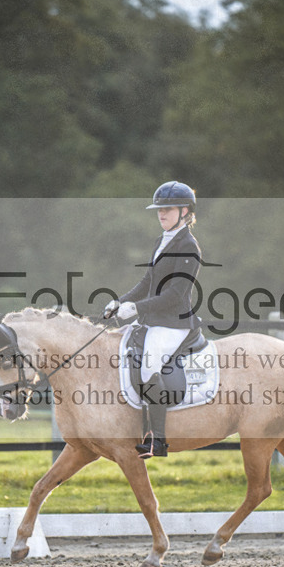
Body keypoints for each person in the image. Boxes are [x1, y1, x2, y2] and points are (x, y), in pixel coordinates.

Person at [104, 181, 203, 459]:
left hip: (174, 323)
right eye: (159, 210)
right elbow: (147, 281)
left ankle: (157, 441)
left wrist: (135, 309)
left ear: (185, 211)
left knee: (148, 367)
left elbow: (174, 294)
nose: (161, 214)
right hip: (153, 319)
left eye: (168, 209)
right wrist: (120, 302)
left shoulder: (189, 247)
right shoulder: (162, 240)